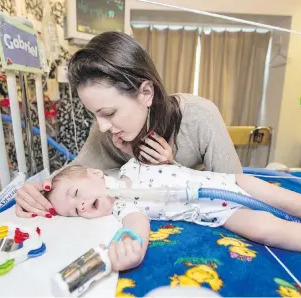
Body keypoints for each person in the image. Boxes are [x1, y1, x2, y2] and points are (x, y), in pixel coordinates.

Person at [15, 31, 241, 218]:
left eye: (109, 113)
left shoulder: (201, 117)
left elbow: (237, 191)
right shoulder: (105, 130)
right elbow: (74, 173)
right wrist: (38, 190)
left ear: (145, 93)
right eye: (95, 115)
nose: (102, 127)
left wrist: (171, 167)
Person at [43, 158, 301, 271]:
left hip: (228, 182)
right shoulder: (122, 208)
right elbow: (138, 223)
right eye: (74, 211)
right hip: (215, 214)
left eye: (76, 195)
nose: (81, 206)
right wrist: (133, 243)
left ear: (95, 174)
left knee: (292, 202)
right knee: (268, 231)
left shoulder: (132, 164)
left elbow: (169, 159)